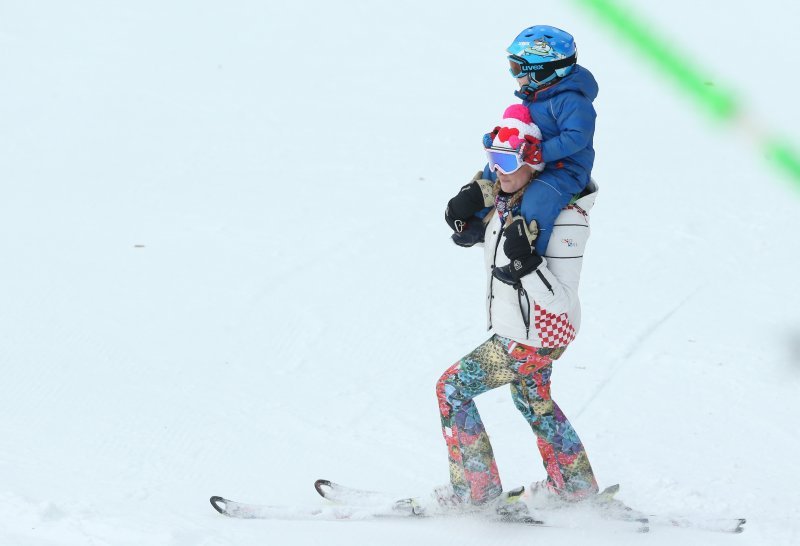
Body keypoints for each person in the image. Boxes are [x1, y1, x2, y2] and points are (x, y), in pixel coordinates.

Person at [435, 102, 601, 512]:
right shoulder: (510, 202)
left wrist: (527, 265)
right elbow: (498, 245)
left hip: (536, 334)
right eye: (493, 159)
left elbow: (559, 301)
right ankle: (575, 488)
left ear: (534, 163)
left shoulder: (567, 219)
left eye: (509, 161)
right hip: (519, 328)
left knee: (452, 389)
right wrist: (470, 228)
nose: (500, 171)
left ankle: (474, 493)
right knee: (533, 399)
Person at [447, 25, 598, 259]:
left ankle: (526, 255)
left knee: (538, 198)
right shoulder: (536, 97)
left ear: (542, 70)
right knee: (494, 170)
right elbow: (523, 127)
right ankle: (475, 223)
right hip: (532, 158)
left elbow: (576, 137)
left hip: (564, 169)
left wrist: (541, 152)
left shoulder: (572, 102)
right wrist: (500, 138)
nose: (514, 75)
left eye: (517, 69)